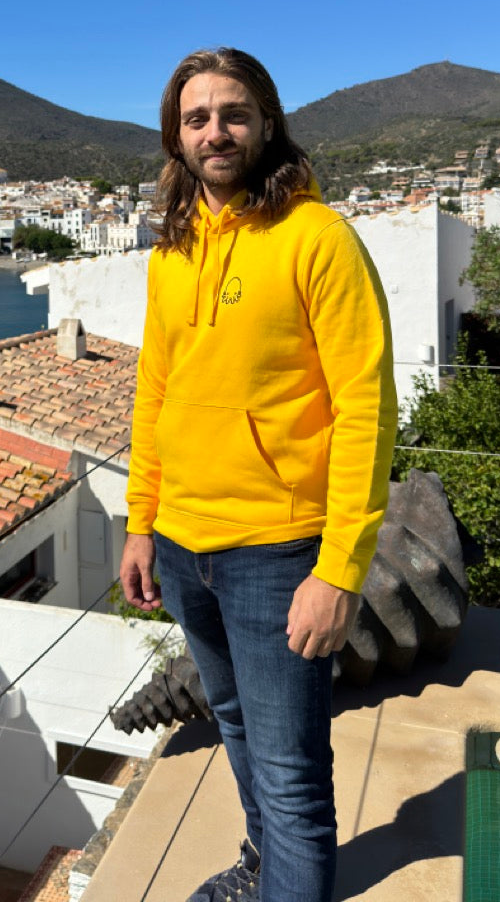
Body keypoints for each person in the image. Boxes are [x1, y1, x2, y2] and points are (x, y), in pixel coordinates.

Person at [120, 48, 397, 902]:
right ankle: (260, 867)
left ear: (267, 124)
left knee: (291, 775)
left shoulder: (318, 238)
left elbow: (365, 409)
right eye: (197, 118)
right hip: (182, 546)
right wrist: (141, 521)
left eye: (233, 114)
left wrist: (339, 570)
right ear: (175, 137)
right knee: (234, 724)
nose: (216, 132)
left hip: (277, 553)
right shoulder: (170, 252)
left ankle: (283, 872)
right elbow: (156, 392)